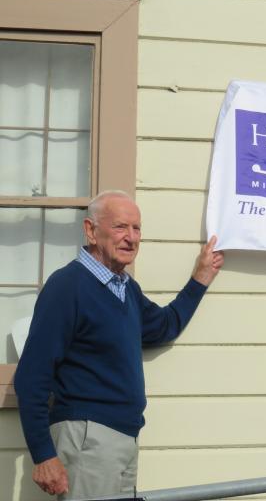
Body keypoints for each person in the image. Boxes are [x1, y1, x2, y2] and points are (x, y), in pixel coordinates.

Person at [14, 190, 224, 500]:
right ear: (91, 230)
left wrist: (200, 278)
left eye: (137, 228)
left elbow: (164, 326)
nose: (131, 237)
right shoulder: (67, 286)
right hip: (88, 438)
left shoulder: (126, 288)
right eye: (120, 227)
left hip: (123, 438)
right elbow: (31, 377)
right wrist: (43, 455)